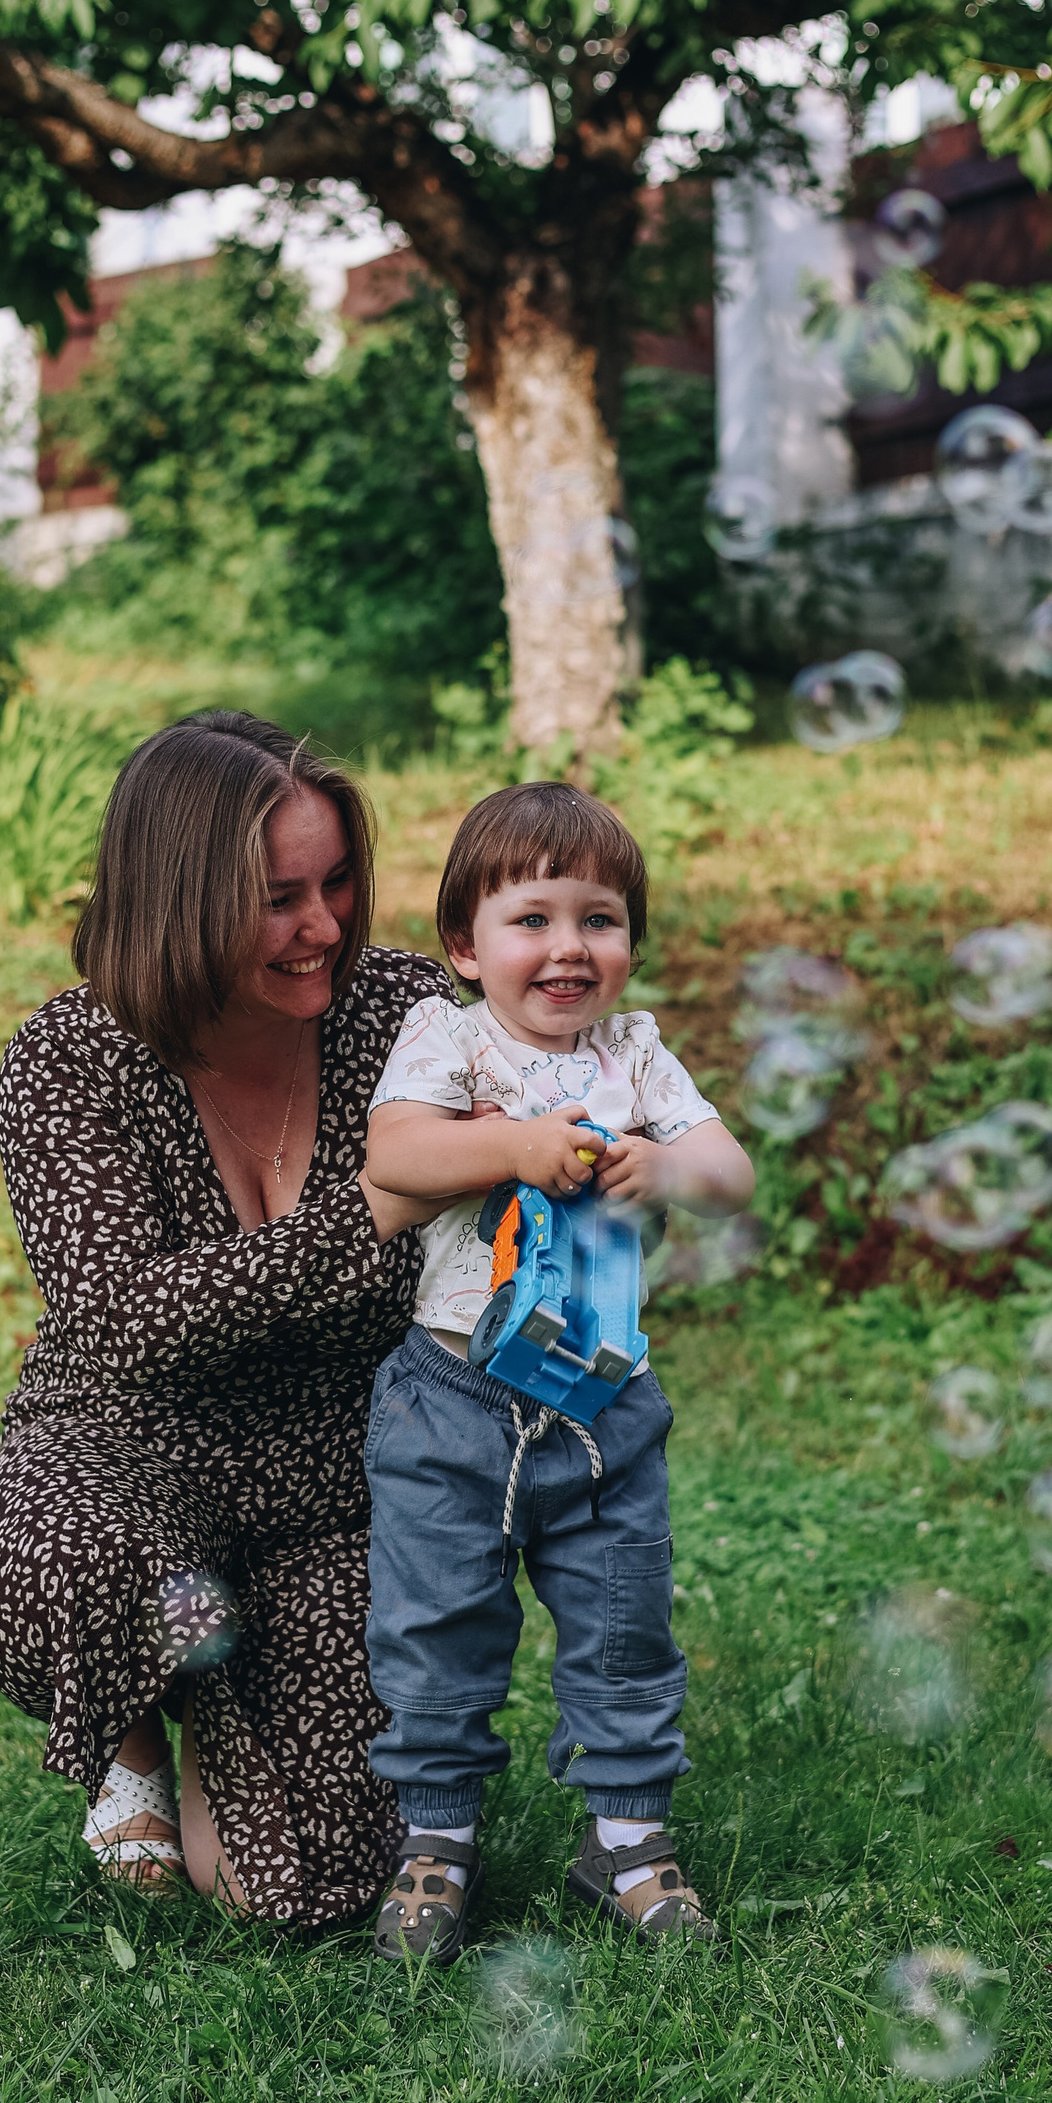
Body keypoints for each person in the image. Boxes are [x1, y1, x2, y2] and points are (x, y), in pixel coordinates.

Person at [0, 709, 445, 1926]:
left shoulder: (407, 1015)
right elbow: (127, 1319)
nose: (323, 926)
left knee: (299, 1894)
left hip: (338, 1489)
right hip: (129, 1453)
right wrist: (374, 1210)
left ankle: (220, 1698)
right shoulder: (71, 1055)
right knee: (65, 1560)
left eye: (338, 883)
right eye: (280, 899)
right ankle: (131, 1728)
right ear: (179, 900)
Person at [358, 779, 756, 1960]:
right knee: (436, 1623)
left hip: (603, 1404)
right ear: (465, 947)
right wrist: (515, 1146)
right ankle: (437, 1841)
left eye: (600, 919)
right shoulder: (449, 1039)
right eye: (531, 919)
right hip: (453, 1400)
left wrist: (662, 1167)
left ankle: (626, 1841)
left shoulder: (636, 1056)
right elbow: (398, 1151)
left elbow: (729, 1172)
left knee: (623, 1617)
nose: (568, 946)